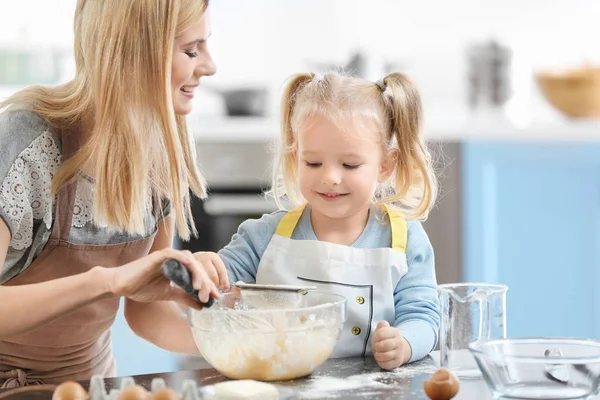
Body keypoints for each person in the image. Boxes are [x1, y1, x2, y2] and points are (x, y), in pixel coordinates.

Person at [0, 0, 227, 388]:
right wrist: (107, 281)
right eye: (190, 50)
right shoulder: (29, 142)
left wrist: (236, 342)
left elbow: (146, 313)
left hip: (91, 386)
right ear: (135, 52)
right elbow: (114, 285)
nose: (209, 66)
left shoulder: (159, 149)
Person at [201, 70, 441, 370]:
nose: (329, 177)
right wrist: (204, 269)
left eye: (350, 164)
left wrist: (404, 343)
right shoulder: (263, 238)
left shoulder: (403, 241)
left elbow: (424, 317)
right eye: (313, 162)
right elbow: (217, 287)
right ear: (294, 155)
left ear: (385, 165)